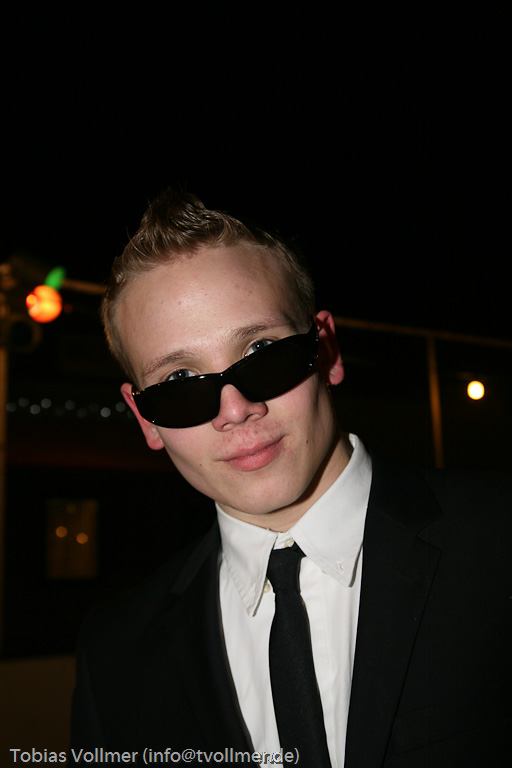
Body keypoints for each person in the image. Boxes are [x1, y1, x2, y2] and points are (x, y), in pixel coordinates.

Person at [71, 189, 511, 767]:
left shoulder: (499, 541)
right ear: (144, 418)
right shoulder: (115, 654)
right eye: (180, 383)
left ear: (326, 350)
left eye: (262, 350)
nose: (235, 409)